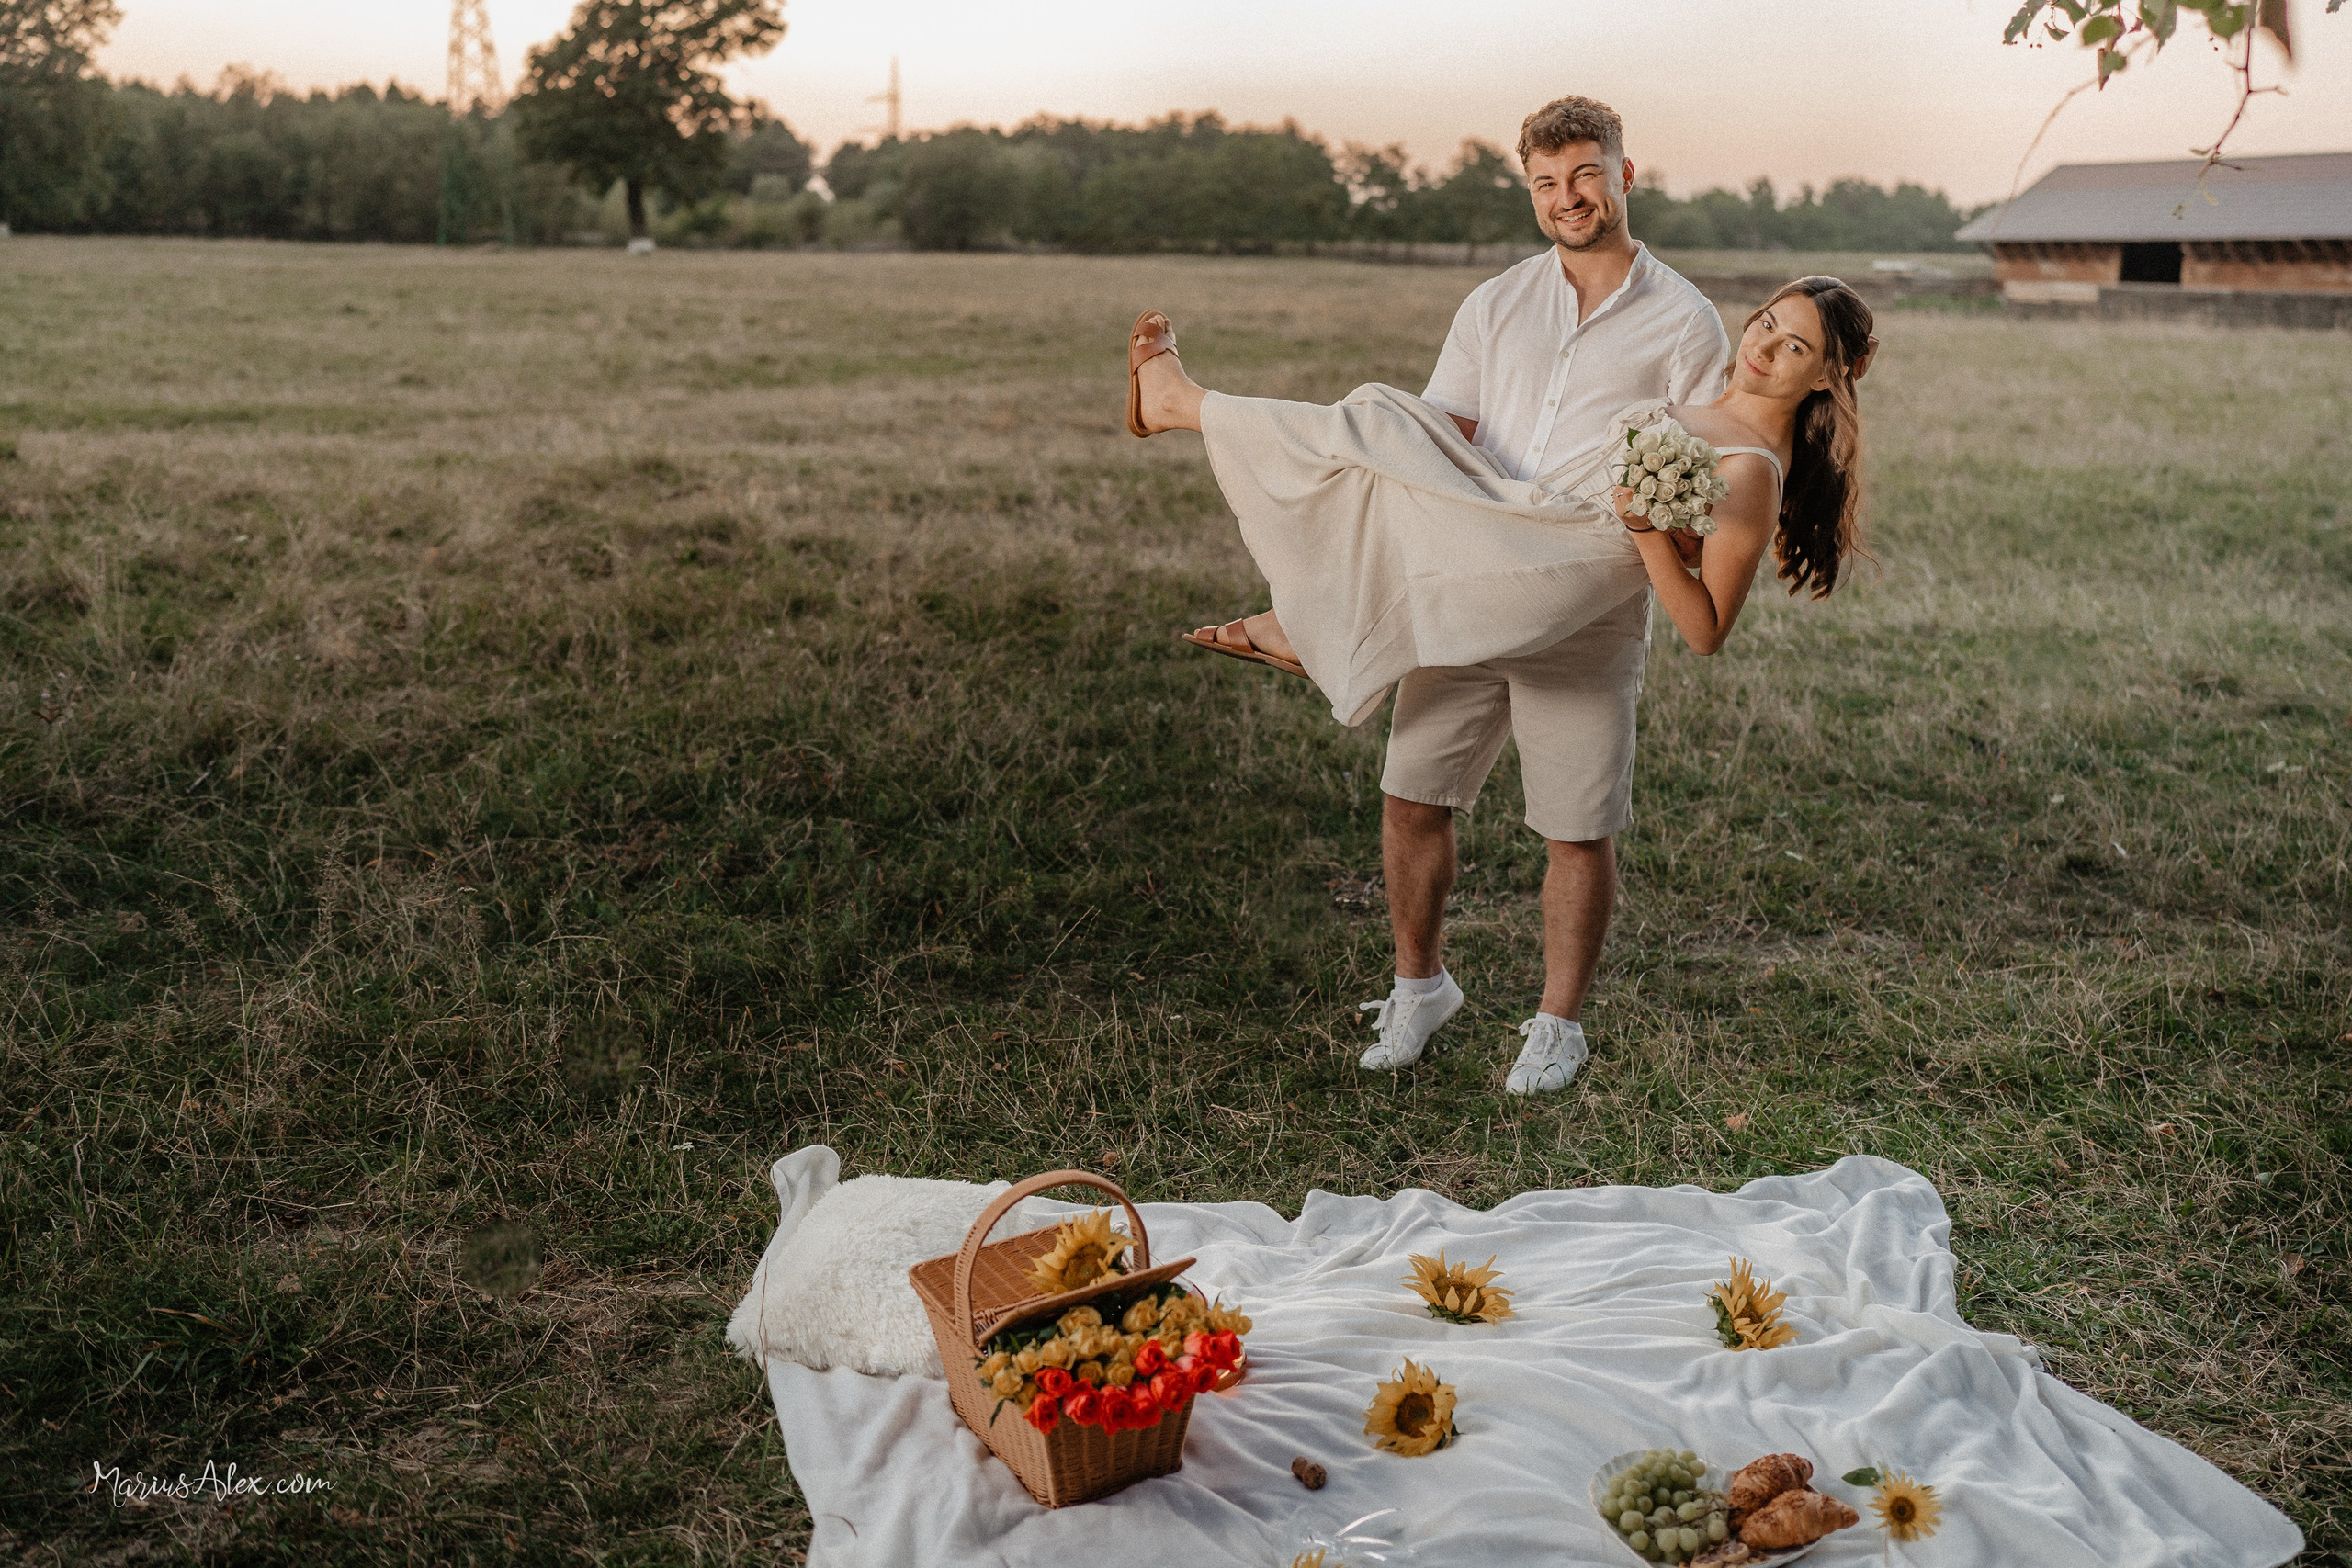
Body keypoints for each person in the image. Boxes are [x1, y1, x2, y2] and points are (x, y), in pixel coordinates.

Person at [1124, 96, 1873, 1097]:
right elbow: (1443, 438)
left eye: (1586, 176)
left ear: (1624, 174)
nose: (1568, 198)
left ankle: (1557, 1026)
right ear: (1531, 190)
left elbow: (1708, 505)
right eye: (1546, 184)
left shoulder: (1689, 324)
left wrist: (1642, 524)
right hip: (1471, 564)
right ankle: (1419, 986)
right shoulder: (1495, 303)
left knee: (1576, 823)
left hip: (1585, 601)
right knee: (1410, 786)